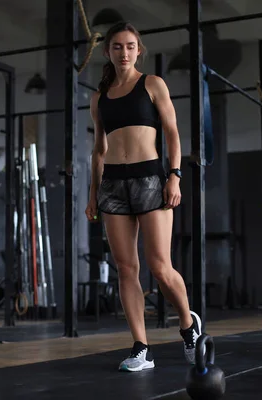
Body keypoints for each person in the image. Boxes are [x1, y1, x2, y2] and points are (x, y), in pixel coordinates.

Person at [85, 21, 202, 372]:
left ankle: (188, 325)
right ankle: (141, 348)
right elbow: (98, 151)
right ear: (107, 51)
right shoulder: (99, 98)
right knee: (125, 268)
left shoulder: (151, 84)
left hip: (151, 178)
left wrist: (175, 176)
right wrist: (93, 194)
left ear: (139, 50)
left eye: (130, 46)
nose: (124, 52)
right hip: (113, 186)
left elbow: (172, 132)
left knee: (159, 267)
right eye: (117, 46)